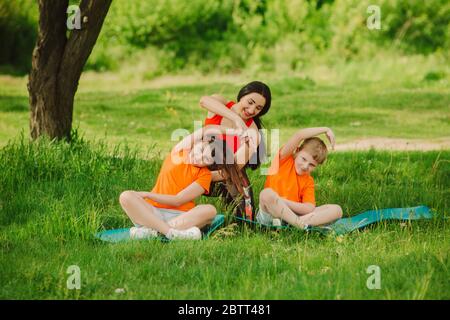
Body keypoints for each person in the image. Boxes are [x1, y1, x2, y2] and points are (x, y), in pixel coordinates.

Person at [119, 126, 244, 240]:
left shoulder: (204, 175)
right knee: (126, 196)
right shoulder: (178, 151)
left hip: (181, 217)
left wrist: (148, 194)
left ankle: (154, 232)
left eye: (205, 159)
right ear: (200, 142)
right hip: (152, 212)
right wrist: (236, 132)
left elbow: (178, 200)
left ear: (209, 164)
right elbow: (207, 129)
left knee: (210, 210)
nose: (198, 157)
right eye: (200, 150)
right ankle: (171, 233)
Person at [199, 81, 272, 219]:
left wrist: (205, 177)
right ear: (243, 94)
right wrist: (236, 119)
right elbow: (203, 101)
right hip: (199, 163)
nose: (251, 110)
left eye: (258, 108)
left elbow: (236, 166)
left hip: (222, 175)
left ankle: (240, 222)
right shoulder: (221, 104)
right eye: (250, 102)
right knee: (216, 144)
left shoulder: (252, 131)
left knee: (246, 216)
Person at [257, 127, 343, 229]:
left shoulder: (308, 181)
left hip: (294, 216)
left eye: (312, 165)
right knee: (266, 194)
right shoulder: (283, 160)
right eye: (303, 159)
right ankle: (299, 225)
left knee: (337, 210)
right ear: (297, 151)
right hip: (271, 214)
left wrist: (284, 202)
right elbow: (299, 135)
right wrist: (325, 129)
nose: (305, 166)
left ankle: (296, 224)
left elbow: (309, 208)